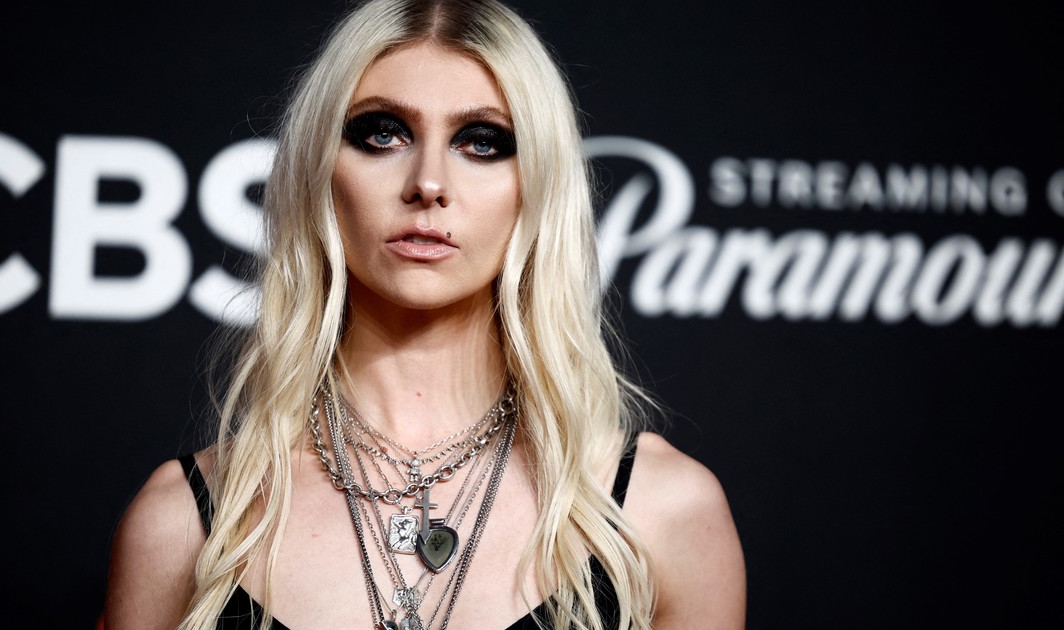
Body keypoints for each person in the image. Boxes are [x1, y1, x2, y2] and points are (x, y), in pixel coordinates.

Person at [103, 0, 746, 628]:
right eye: (383, 133)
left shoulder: (660, 512)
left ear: (538, 184)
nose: (428, 182)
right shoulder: (183, 523)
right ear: (319, 168)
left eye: (483, 142)